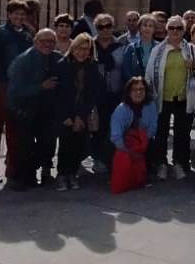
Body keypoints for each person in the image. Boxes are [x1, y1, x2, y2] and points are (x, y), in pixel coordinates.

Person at [146, 15, 195, 180]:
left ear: (184, 30)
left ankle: (179, 163)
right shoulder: (157, 50)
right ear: (166, 30)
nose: (175, 31)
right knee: (161, 133)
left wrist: (194, 66)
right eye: (171, 28)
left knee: (182, 133)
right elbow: (149, 75)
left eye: (178, 28)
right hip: (162, 98)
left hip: (183, 97)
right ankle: (161, 164)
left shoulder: (191, 49)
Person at [0, 0, 33, 188]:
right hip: (1, 85)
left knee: (14, 131)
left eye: (22, 14)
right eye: (16, 13)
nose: (19, 17)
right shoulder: (0, 34)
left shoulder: (27, 35)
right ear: (9, 15)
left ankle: (12, 171)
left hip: (18, 88)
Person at [5, 28, 62, 190]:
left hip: (47, 110)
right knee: (25, 145)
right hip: (25, 109)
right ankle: (24, 177)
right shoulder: (22, 61)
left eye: (51, 41)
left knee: (48, 142)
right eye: (43, 41)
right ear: (35, 42)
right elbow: (15, 92)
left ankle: (45, 171)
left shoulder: (58, 59)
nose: (47, 44)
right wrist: (41, 87)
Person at [56, 33, 101, 191]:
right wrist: (66, 116)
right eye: (79, 48)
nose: (82, 52)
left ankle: (72, 173)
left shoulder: (92, 66)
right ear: (73, 48)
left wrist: (81, 116)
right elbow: (58, 94)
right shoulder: (63, 64)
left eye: (86, 49)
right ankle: (62, 174)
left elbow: (92, 94)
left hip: (82, 111)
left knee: (78, 143)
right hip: (65, 111)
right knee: (65, 143)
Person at [110, 77, 158, 193]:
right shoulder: (121, 109)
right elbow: (116, 135)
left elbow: (152, 128)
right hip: (123, 144)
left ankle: (145, 174)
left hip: (142, 142)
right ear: (129, 92)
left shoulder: (151, 106)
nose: (138, 92)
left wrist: (142, 145)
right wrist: (127, 151)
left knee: (153, 146)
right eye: (134, 89)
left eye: (141, 89)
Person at [91, 13, 123, 173]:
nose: (104, 30)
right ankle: (97, 158)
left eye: (108, 26)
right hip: (95, 94)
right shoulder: (90, 45)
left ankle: (110, 158)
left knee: (113, 127)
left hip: (115, 93)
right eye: (100, 27)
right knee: (97, 128)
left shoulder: (121, 46)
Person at [120, 14, 158, 87]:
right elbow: (126, 70)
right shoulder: (131, 48)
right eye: (145, 25)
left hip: (154, 87)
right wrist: (136, 84)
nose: (147, 28)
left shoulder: (159, 47)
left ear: (154, 29)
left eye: (150, 26)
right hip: (136, 87)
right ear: (139, 28)